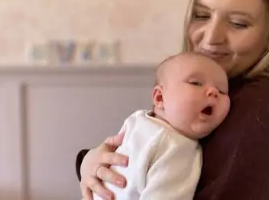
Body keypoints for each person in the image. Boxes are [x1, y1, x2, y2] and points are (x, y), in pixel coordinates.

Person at [76, 0, 269, 200]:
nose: (211, 38)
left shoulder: (263, 110)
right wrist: (89, 163)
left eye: (238, 23)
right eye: (202, 15)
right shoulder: (215, 96)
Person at [93, 52, 230, 200]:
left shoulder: (139, 119)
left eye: (222, 91)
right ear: (159, 97)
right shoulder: (177, 149)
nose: (213, 92)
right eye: (196, 83)